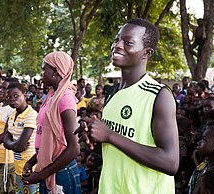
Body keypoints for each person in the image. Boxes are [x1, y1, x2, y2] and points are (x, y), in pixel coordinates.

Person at [75, 18, 179, 193]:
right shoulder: (113, 92)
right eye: (117, 39)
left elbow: (170, 162)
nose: (117, 45)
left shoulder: (159, 95)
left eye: (128, 42)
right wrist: (94, 136)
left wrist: (109, 135)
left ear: (146, 53)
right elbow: (119, 150)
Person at [22, 51, 81, 193]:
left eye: (44, 69)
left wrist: (42, 174)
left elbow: (74, 148)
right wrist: (32, 162)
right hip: (50, 168)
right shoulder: (52, 96)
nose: (41, 74)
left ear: (56, 71)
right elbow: (48, 140)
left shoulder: (65, 98)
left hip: (61, 172)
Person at [3, 83, 38, 193]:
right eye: (9, 97)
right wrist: (14, 144)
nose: (12, 99)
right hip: (17, 166)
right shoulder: (12, 115)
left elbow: (19, 145)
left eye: (16, 96)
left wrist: (11, 144)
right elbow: (6, 139)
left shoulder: (31, 115)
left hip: (30, 167)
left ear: (24, 95)